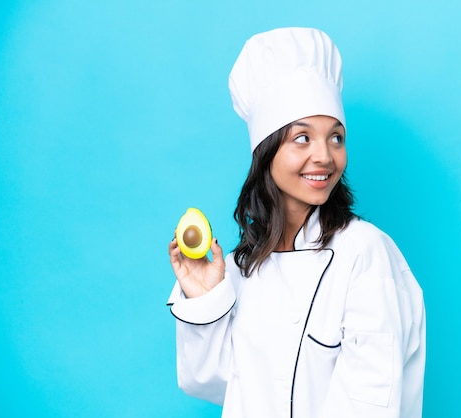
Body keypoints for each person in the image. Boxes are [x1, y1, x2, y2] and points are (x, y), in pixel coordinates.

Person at [167, 27, 426, 418]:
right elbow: (210, 383)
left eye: (336, 138)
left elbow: (370, 404)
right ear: (266, 152)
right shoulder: (241, 264)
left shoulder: (364, 252)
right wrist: (206, 299)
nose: (324, 155)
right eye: (302, 139)